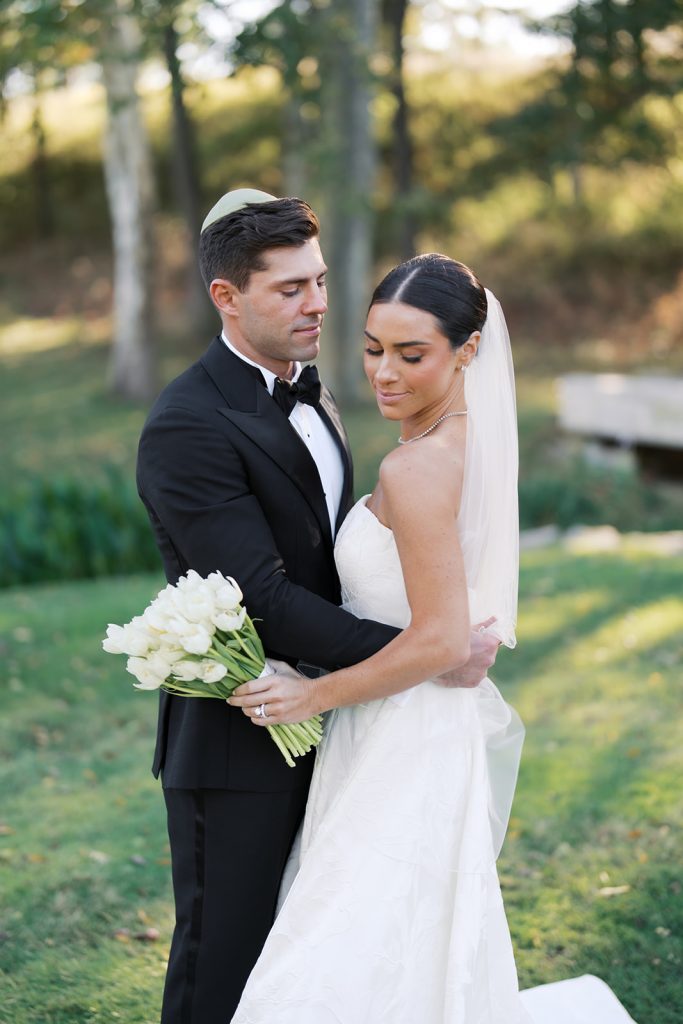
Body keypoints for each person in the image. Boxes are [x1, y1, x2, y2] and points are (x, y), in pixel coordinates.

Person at [135, 192, 501, 1024]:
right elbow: (261, 597)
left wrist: (413, 654)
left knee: (325, 961)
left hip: (343, 725)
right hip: (242, 734)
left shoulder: (315, 389)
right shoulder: (188, 424)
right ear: (226, 296)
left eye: (321, 280)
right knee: (225, 965)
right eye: (291, 288)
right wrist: (428, 651)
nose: (318, 304)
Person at [227, 253, 530, 1023]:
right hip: (423, 725)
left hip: (402, 734)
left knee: (341, 950)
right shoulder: (468, 443)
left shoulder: (418, 469)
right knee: (406, 946)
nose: (384, 373)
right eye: (372, 348)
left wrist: (312, 695)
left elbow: (440, 642)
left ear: (466, 351)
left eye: (410, 354)